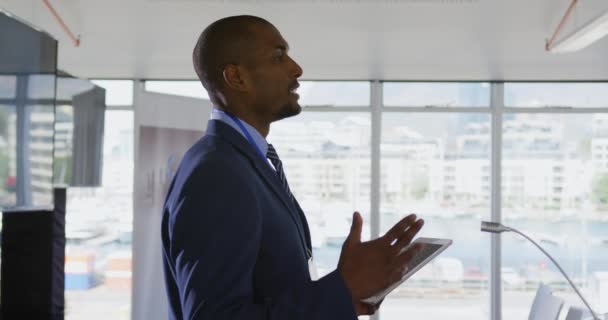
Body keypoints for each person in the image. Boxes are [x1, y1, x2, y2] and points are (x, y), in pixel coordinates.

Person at [161, 15, 425, 320]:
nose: (296, 69)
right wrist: (342, 288)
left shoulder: (243, 161)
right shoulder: (217, 173)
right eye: (278, 56)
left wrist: (346, 294)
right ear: (236, 78)